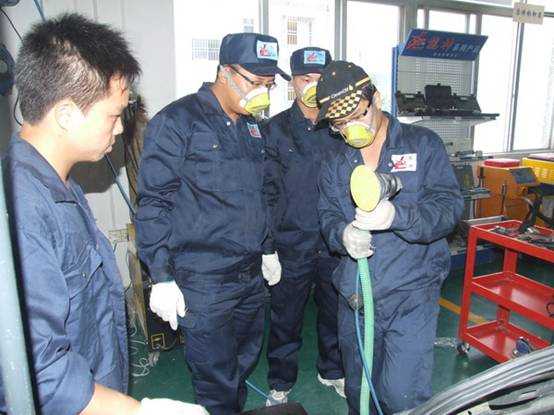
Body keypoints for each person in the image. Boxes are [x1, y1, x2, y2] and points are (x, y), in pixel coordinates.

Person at [0, 13, 208, 415]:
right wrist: (138, 411)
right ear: (65, 115)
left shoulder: (58, 183)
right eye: (113, 115)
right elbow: (41, 374)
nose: (120, 129)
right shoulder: (22, 212)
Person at [135, 32, 290, 415]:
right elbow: (154, 202)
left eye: (269, 85)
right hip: (203, 280)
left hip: (249, 276)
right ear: (225, 73)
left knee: (243, 361)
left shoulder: (252, 128)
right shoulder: (177, 122)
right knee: (215, 378)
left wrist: (267, 247)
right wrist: (161, 275)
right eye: (255, 83)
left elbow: (259, 195)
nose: (263, 94)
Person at [316, 61, 464, 414]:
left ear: (377, 99)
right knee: (359, 391)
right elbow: (327, 215)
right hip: (356, 296)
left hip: (411, 295)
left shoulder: (422, 144)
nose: (350, 129)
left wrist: (398, 217)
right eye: (339, 124)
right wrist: (342, 234)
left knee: (402, 396)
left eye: (356, 116)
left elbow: (448, 208)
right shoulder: (335, 160)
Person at [262, 47, 345, 406]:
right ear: (292, 82)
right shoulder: (274, 130)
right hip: (290, 244)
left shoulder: (341, 127)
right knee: (285, 318)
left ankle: (333, 370)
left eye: (319, 79)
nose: (312, 86)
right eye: (305, 78)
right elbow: (266, 192)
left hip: (333, 242)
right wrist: (267, 247)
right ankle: (281, 381)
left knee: (334, 312)